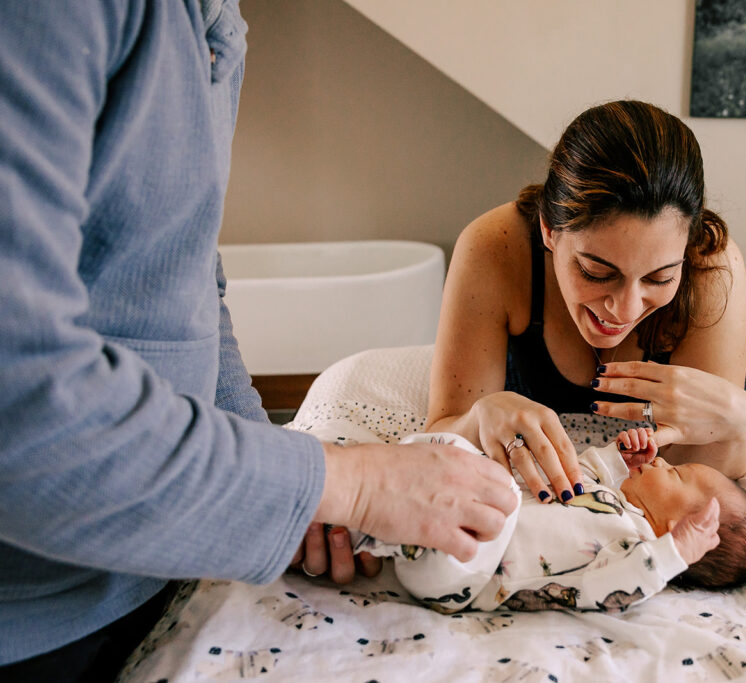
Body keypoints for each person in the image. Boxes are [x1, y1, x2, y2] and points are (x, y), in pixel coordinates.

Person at [0, 3, 516, 679]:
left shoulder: (215, 22)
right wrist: (347, 482)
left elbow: (185, 281)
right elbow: (22, 408)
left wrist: (284, 490)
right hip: (34, 623)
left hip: (158, 571)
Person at [427, 100, 746, 507]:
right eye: (596, 272)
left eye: (660, 277)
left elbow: (707, 470)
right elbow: (441, 429)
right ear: (549, 231)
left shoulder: (712, 267)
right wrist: (479, 417)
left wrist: (743, 421)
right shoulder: (493, 248)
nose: (624, 310)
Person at [304, 424, 746, 613]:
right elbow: (576, 474)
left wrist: (672, 555)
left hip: (465, 570)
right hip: (454, 523)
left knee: (492, 485)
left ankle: (368, 520)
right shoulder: (609, 499)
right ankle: (358, 519)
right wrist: (619, 457)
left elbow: (615, 591)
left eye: (676, 473)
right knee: (460, 460)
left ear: (677, 528)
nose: (663, 462)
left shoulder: (631, 552)